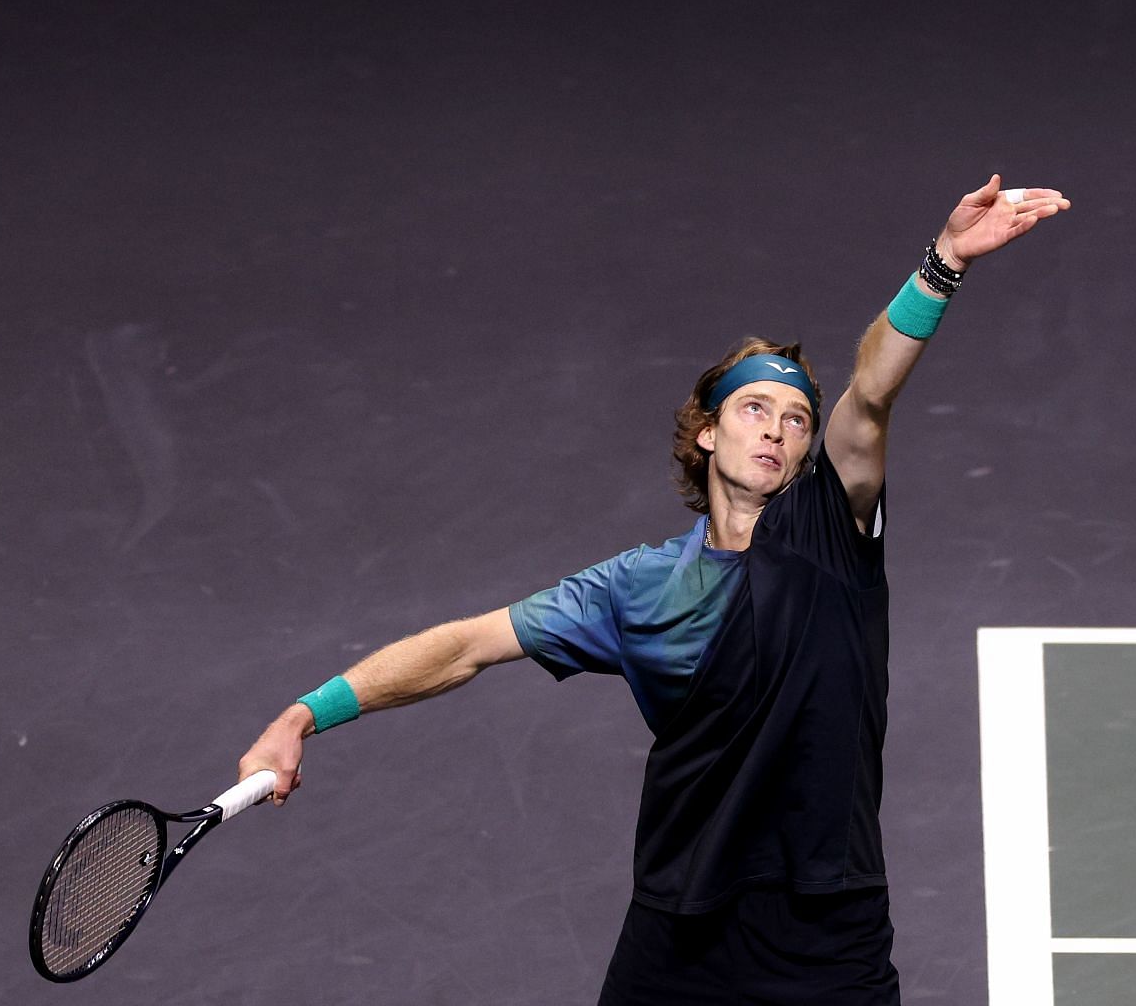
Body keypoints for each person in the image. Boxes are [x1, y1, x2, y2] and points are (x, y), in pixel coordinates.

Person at [236, 173, 1070, 1003]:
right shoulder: (634, 588)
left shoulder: (832, 534)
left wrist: (944, 261)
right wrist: (303, 714)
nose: (776, 428)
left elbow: (875, 391)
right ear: (707, 433)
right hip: (681, 928)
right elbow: (464, 648)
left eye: (796, 417)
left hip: (828, 927)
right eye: (753, 409)